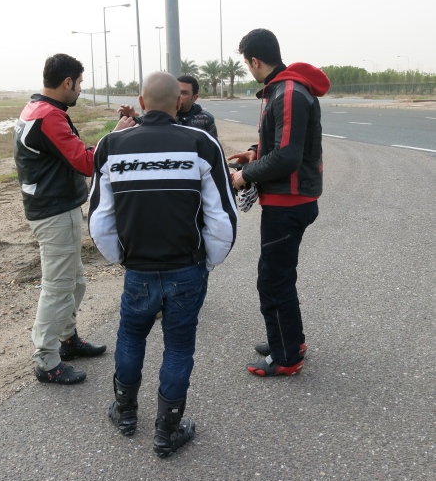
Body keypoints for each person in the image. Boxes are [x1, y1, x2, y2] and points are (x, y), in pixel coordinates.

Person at [89, 71, 237, 457]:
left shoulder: (110, 146)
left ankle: (125, 413)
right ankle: (166, 432)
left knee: (130, 336)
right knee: (178, 346)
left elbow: (99, 220)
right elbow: (222, 216)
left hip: (138, 268)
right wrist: (208, 261)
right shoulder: (200, 143)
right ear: (178, 102)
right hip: (187, 267)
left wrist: (123, 258)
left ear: (141, 102)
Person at [229, 29, 330, 377]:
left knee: (272, 280)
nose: (249, 69)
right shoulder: (284, 89)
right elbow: (280, 143)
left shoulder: (287, 92)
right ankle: (290, 341)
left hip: (288, 202)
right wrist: (254, 153)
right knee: (280, 276)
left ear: (255, 60)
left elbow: (287, 156)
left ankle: (286, 357)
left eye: (247, 64)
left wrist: (246, 175)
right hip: (290, 198)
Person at [13, 53, 107, 385]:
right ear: (67, 82)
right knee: (58, 288)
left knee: (75, 282)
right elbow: (85, 163)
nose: (80, 89)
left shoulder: (34, 108)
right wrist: (114, 138)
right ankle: (46, 360)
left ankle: (67, 339)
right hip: (54, 212)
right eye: (79, 83)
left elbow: (69, 154)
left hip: (50, 207)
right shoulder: (50, 116)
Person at [117, 75, 218, 138]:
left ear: (194, 97)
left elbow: (212, 149)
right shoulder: (163, 113)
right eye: (177, 91)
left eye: (184, 93)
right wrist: (128, 116)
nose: (179, 96)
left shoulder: (205, 119)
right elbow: (141, 123)